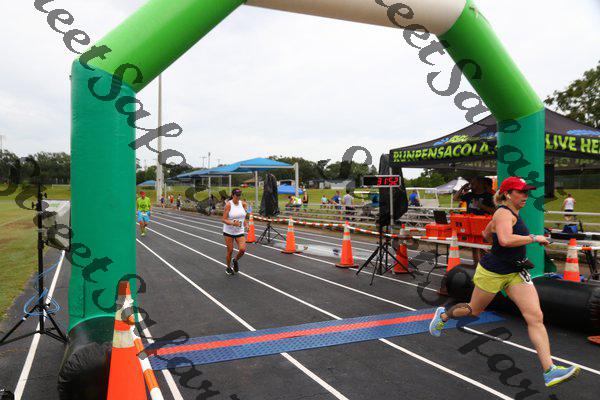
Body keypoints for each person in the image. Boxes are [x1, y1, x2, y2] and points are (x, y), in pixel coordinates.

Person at [429, 176, 581, 387]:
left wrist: (496, 232)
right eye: (521, 192)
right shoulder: (503, 213)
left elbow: (486, 234)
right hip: (493, 272)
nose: (526, 196)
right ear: (508, 194)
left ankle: (550, 370)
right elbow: (506, 240)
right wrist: (533, 238)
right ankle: (444, 315)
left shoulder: (508, 213)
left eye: (527, 192)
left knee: (535, 317)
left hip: (515, 271)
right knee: (474, 310)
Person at [222, 188, 247, 275]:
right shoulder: (228, 205)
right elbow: (224, 219)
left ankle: (235, 260)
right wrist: (233, 223)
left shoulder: (243, 204)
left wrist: (246, 225)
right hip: (229, 231)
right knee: (230, 250)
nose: (239, 197)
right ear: (233, 195)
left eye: (240, 195)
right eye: (237, 195)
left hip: (239, 231)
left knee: (242, 249)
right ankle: (228, 267)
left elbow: (243, 217)